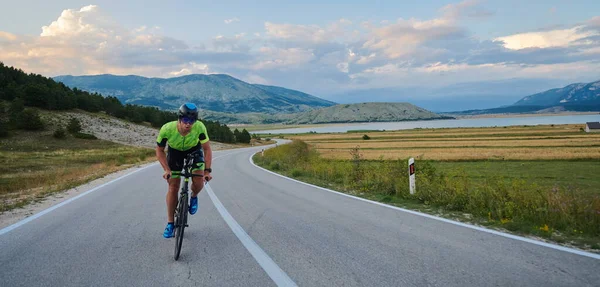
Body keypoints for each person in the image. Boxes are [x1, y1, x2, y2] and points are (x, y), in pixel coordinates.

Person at [155, 103, 213, 238]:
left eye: (192, 121)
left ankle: (193, 196)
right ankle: (170, 223)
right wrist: (166, 169)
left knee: (198, 181)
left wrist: (207, 171)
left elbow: (207, 149)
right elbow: (159, 150)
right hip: (175, 153)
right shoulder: (167, 129)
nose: (188, 124)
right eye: (186, 121)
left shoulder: (199, 127)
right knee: (173, 187)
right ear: (179, 119)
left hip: (194, 150)